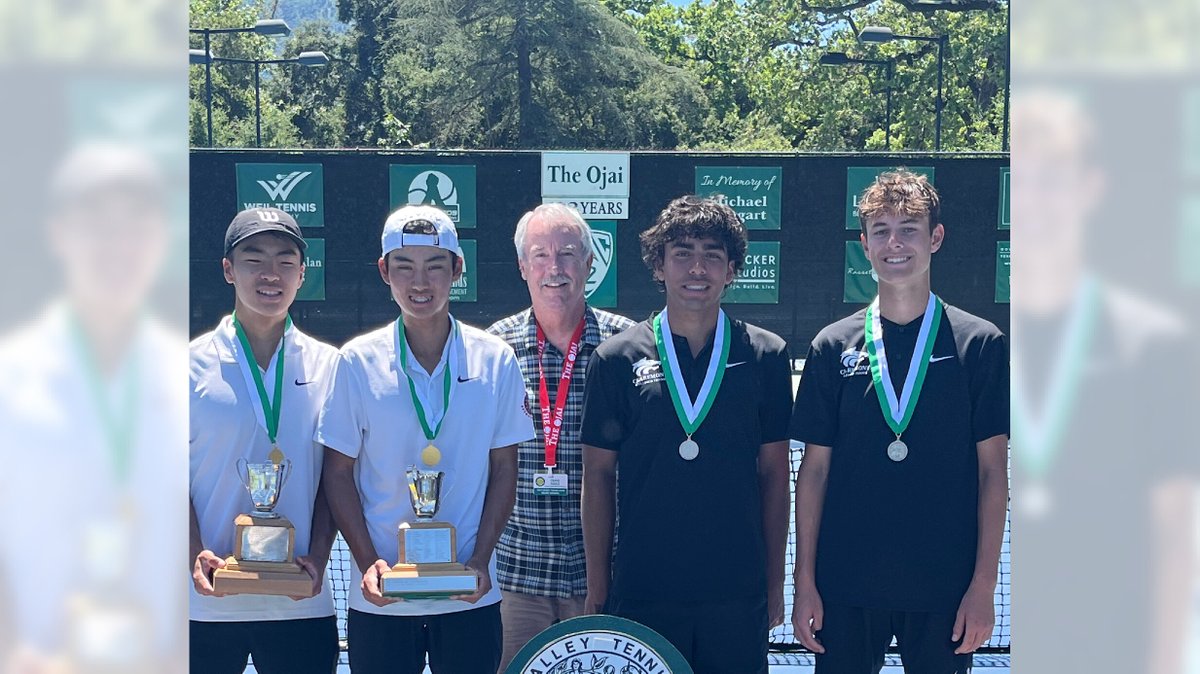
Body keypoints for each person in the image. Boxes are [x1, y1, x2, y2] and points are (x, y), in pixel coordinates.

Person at [790, 169, 1009, 674]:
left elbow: (993, 474)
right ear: (864, 244)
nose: (895, 242)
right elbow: (815, 473)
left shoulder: (981, 344)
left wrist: (982, 585)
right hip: (845, 584)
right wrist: (805, 582)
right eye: (881, 229)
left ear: (935, 237)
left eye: (909, 227)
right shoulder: (832, 345)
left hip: (945, 587)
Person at [317, 204, 534, 673]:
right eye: (405, 267)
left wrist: (480, 559)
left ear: (457, 269)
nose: (420, 283)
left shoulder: (495, 359)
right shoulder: (355, 361)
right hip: (382, 598)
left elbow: (504, 470)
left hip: (470, 595)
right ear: (384, 271)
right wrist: (368, 561)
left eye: (435, 266)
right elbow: (337, 474)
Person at [580, 196, 792, 674]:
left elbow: (776, 476)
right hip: (644, 590)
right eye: (682, 252)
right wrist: (599, 584)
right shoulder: (616, 359)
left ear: (732, 268)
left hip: (736, 592)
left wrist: (774, 582)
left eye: (713, 254)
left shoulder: (766, 355)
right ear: (659, 264)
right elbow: (597, 476)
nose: (697, 268)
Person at [189, 207, 339, 673]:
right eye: (254, 259)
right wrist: (194, 554)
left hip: (300, 602)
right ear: (229, 270)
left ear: (301, 275)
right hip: (204, 606)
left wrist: (317, 555)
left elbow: (337, 478)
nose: (270, 274)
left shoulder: (331, 366)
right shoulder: (183, 366)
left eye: (285, 260)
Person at [487, 203, 635, 672]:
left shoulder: (626, 347)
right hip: (516, 577)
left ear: (591, 264)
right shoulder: (494, 350)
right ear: (522, 266)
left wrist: (604, 578)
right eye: (542, 255)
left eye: (568, 254)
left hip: (604, 577)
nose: (555, 268)